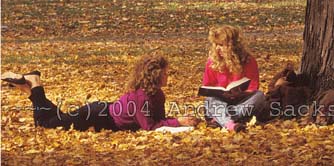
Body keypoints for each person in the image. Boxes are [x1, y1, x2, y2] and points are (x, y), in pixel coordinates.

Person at [1, 55, 198, 132]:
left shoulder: (157, 94)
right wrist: (178, 122)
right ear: (155, 76)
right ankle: (34, 81)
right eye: (165, 74)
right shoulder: (142, 97)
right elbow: (149, 126)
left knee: (57, 117)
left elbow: (159, 119)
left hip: (103, 111)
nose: (168, 77)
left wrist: (178, 119)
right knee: (46, 124)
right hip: (98, 116)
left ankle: (29, 88)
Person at [202, 25, 266, 132]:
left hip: (240, 102)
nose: (218, 48)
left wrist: (239, 93)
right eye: (216, 44)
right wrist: (220, 93)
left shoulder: (248, 61)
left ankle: (222, 120)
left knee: (259, 96)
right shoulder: (212, 62)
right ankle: (231, 124)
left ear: (233, 46)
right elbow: (208, 87)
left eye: (222, 45)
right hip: (220, 102)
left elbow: (253, 87)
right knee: (211, 100)